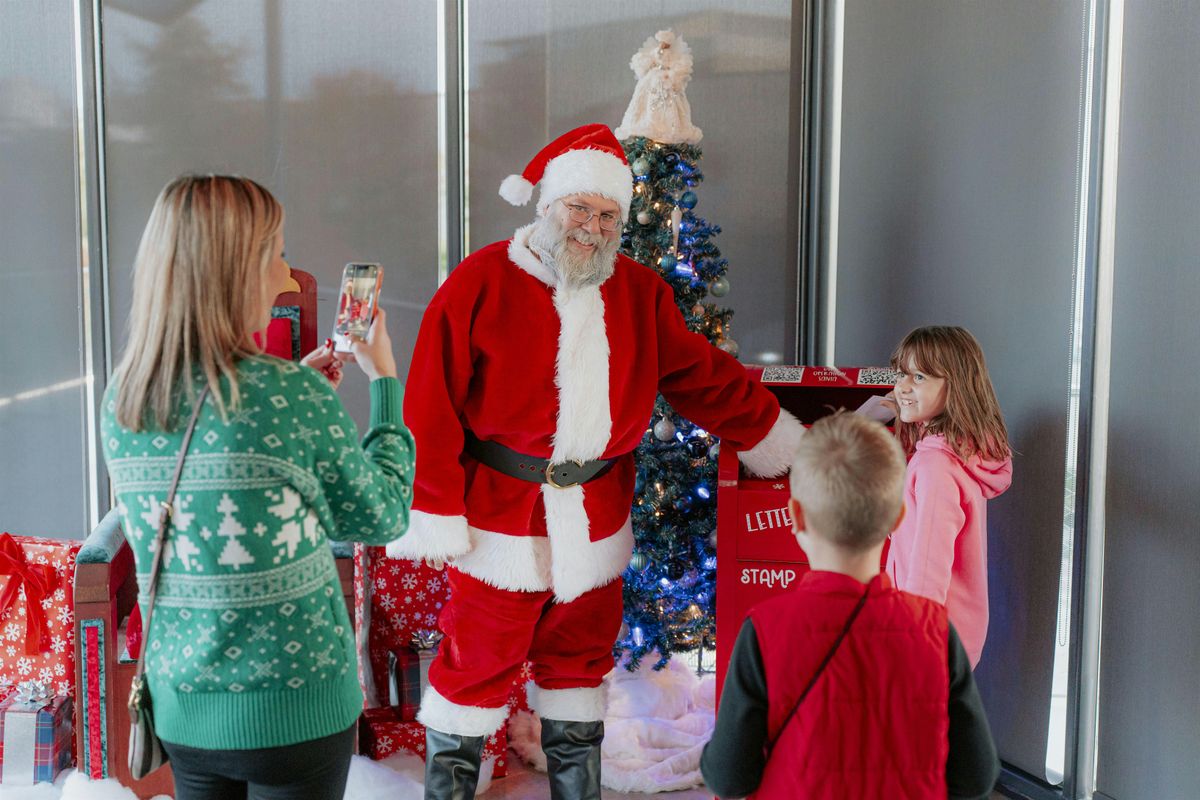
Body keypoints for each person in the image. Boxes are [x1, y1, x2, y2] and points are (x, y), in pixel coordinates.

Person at [387, 123, 804, 799]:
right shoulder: (480, 281)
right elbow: (428, 404)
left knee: (579, 673)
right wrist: (434, 512)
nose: (593, 226)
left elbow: (703, 377)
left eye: (609, 214)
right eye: (581, 208)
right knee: (473, 674)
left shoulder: (639, 293)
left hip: (597, 522)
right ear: (547, 204)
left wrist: (776, 437)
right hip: (500, 521)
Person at [101, 175, 414, 800]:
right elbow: (382, 514)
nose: (287, 272)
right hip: (292, 708)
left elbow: (213, 462)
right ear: (235, 270)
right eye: (274, 252)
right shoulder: (285, 399)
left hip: (183, 702)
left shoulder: (126, 398)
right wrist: (384, 382)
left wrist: (294, 392)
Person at [700, 412, 1000, 799]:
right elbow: (976, 775)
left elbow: (728, 776)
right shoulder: (937, 631)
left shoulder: (765, 629)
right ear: (897, 519)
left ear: (796, 517)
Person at [886, 325, 1013, 667]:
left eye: (920, 376)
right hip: (951, 637)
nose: (903, 386)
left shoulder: (935, 467)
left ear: (954, 385)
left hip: (925, 643)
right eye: (901, 375)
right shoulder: (960, 455)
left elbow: (928, 568)